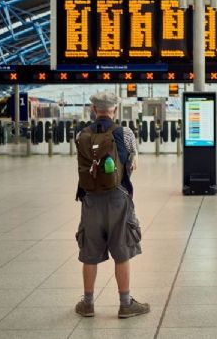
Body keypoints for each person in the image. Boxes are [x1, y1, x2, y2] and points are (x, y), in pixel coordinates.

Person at [73, 91, 149, 319]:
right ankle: (126, 305)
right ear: (114, 110)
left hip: (90, 199)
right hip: (118, 198)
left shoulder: (81, 134)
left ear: (93, 110)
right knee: (122, 250)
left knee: (89, 252)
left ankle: (87, 303)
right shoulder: (124, 133)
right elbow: (133, 163)